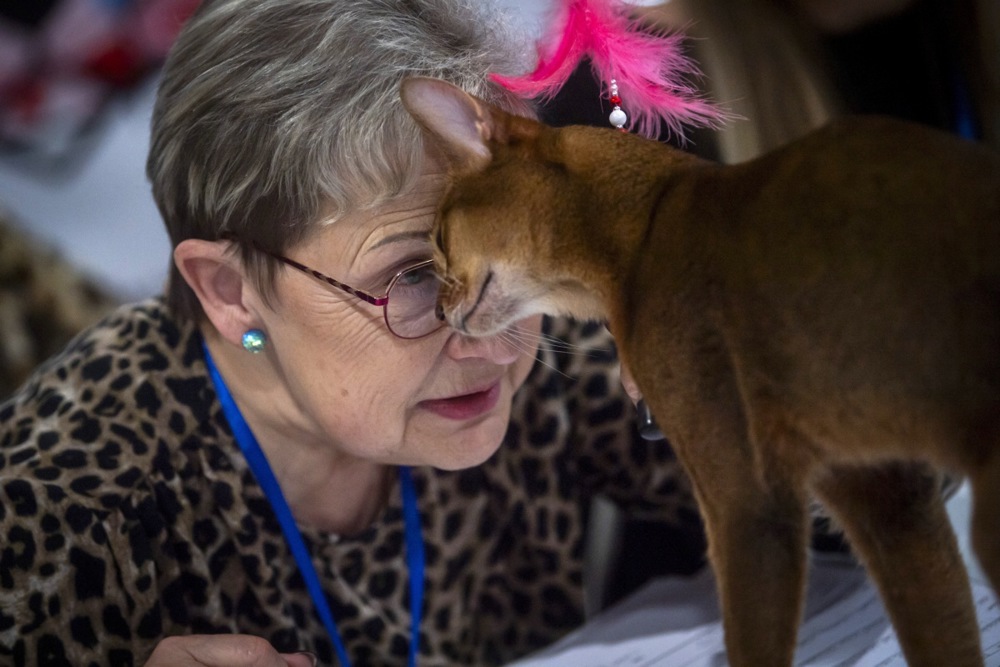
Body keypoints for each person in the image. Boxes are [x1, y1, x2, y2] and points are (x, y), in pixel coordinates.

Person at [0, 0, 706, 664]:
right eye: (416, 278)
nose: (494, 338)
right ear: (231, 291)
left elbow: (805, 486)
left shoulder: (546, 353)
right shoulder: (69, 517)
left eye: (519, 252)